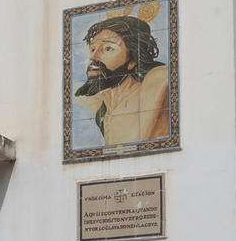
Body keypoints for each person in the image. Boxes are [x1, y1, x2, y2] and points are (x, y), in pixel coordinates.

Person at [72, 14, 171, 147]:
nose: (94, 57)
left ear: (133, 61)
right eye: (93, 49)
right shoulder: (100, 103)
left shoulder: (155, 83)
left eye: (108, 49)